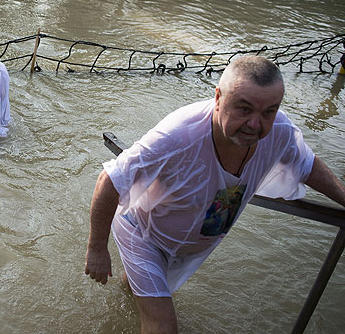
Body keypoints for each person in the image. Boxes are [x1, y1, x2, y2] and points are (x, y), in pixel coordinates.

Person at [84, 55, 345, 334]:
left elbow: (307, 166)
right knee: (163, 326)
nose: (255, 125)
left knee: (143, 294)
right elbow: (110, 179)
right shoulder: (178, 136)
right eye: (243, 109)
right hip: (143, 235)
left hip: (189, 244)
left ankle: (130, 293)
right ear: (218, 98)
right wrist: (97, 249)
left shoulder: (278, 131)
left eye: (269, 111)